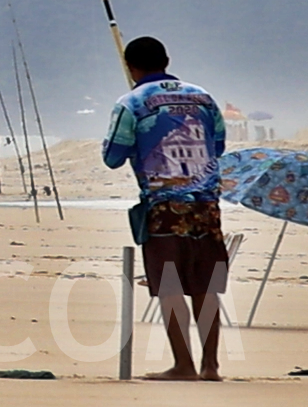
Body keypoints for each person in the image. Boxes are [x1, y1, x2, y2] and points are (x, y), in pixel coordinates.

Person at [102, 36, 228, 382]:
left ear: (130, 67)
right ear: (167, 59)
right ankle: (211, 365)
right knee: (206, 286)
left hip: (163, 206)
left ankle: (183, 365)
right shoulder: (203, 97)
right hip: (207, 205)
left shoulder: (131, 103)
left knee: (169, 285)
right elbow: (217, 144)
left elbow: (113, 156)